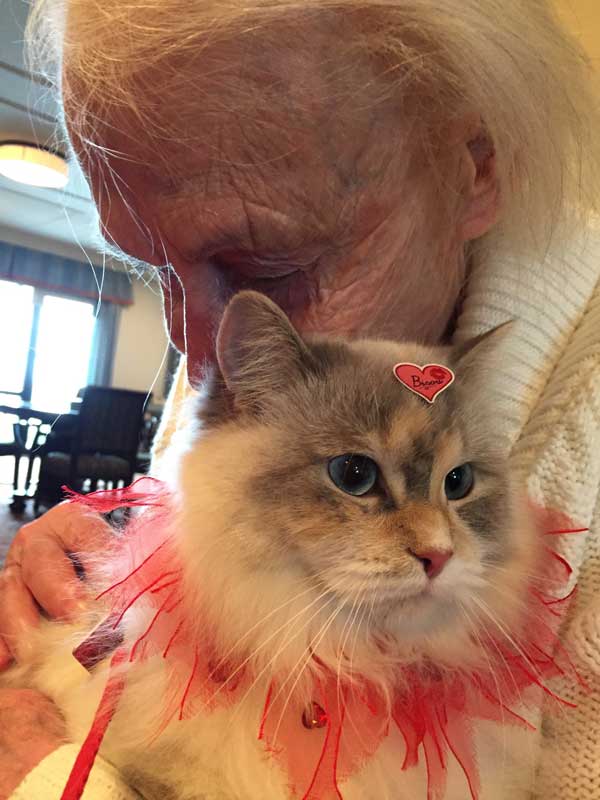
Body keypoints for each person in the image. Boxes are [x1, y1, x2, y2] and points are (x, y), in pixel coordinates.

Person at [2, 1, 600, 798]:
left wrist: (40, 773)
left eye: (268, 265)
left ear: (473, 170)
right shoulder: (313, 327)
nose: (191, 345)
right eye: (153, 268)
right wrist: (106, 568)